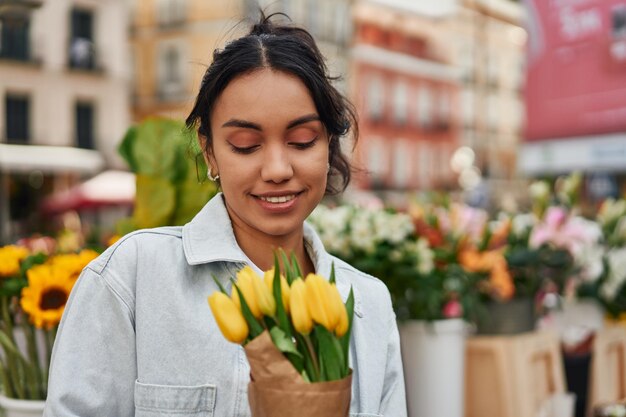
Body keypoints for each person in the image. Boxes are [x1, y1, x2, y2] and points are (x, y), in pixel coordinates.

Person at [44, 13, 406, 417]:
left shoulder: (367, 305)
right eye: (246, 145)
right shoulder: (130, 279)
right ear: (210, 150)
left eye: (302, 141)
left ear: (328, 145)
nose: (277, 169)